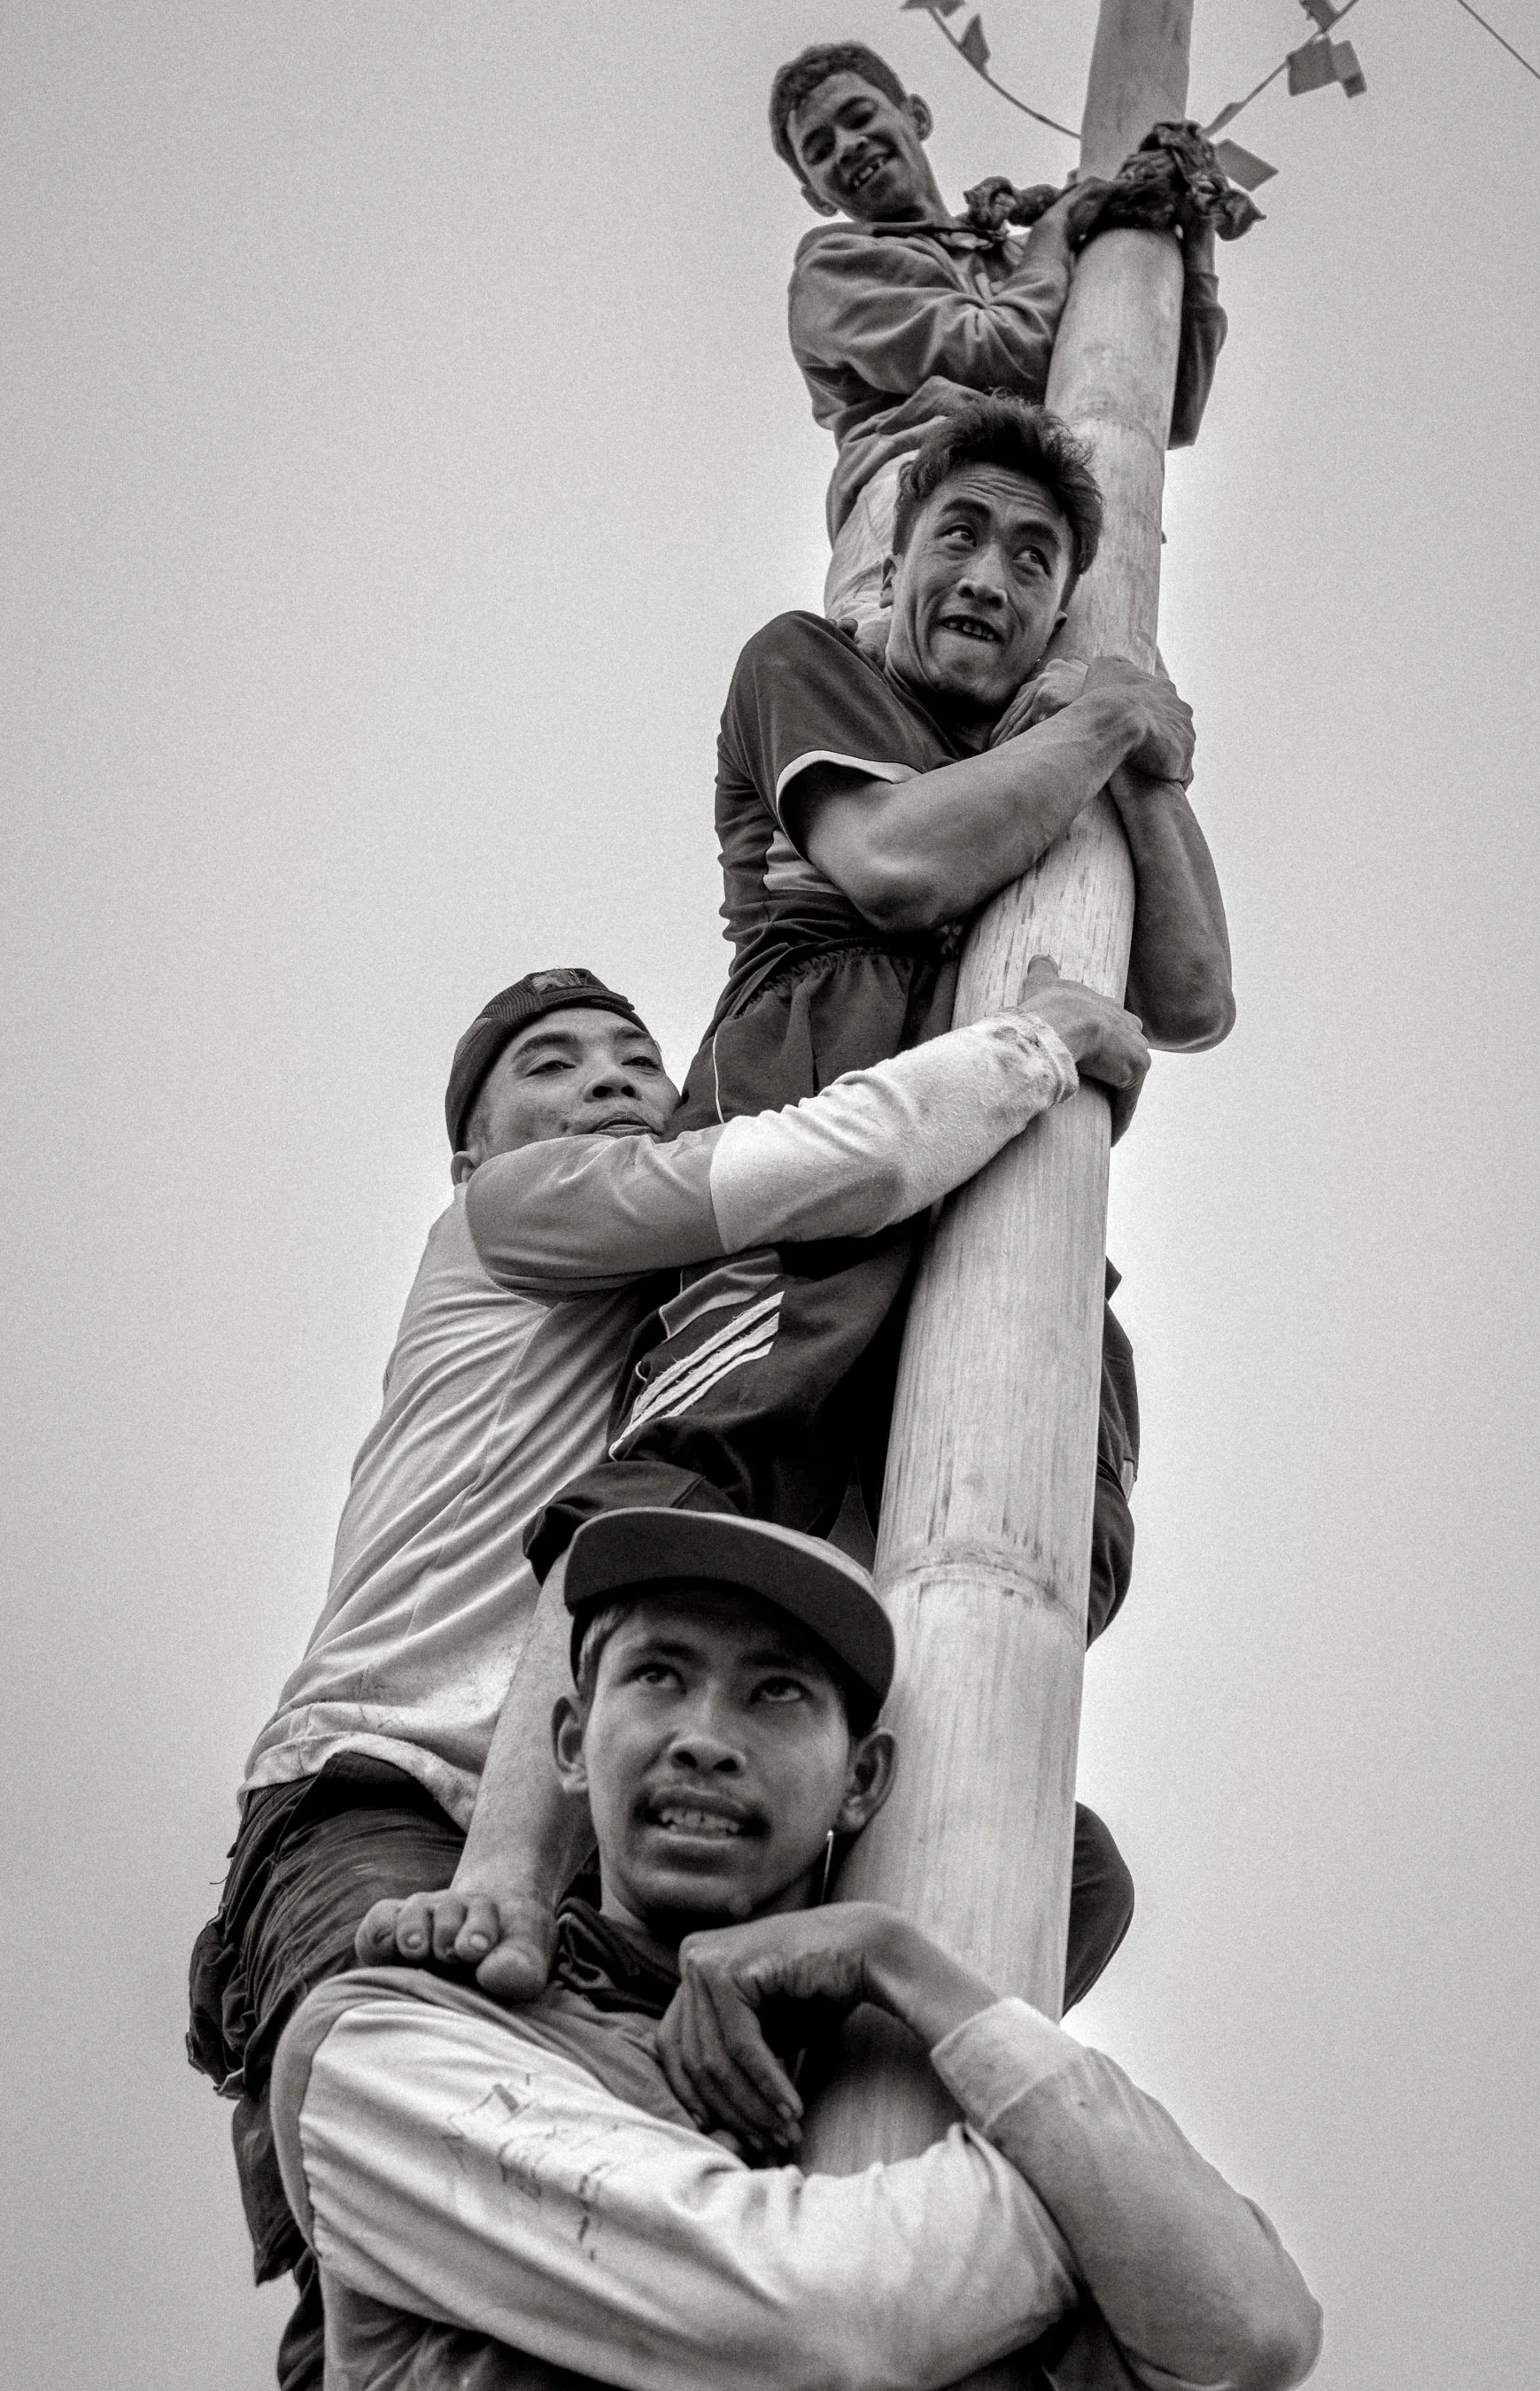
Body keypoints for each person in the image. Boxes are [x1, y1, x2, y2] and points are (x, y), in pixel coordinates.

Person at [189, 957, 1151, 2390]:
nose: (607, 1082)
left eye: (632, 1055)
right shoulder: (506, 1218)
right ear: (473, 1150)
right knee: (410, 2165)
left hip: (601, 1826)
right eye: (555, 1066)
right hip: (386, 1783)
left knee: (1052, 1871)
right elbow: (834, 1156)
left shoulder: (684, 1330)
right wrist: (1032, 1048)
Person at [271, 1507, 1323, 2391]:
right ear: (568, 1745)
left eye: (775, 1691)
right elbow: (820, 2315)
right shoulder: (385, 2042)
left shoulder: (902, 2079)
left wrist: (897, 1958)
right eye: (659, 1676)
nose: (704, 1737)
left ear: (862, 1781)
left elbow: (1250, 2335)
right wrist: (1091, 2209)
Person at [523, 396, 1232, 1670]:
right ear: (898, 554)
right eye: (960, 535)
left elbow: (1190, 998)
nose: (988, 577)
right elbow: (894, 864)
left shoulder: (1061, 750)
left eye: (1033, 560)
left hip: (1008, 1137)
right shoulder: (810, 663)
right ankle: (523, 1852)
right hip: (819, 1069)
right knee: (709, 1476)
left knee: (1037, 1531)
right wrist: (1100, 726)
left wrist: (1130, 754)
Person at [769, 40, 1229, 630]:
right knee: (891, 697)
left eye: (860, 117)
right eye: (820, 148)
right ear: (814, 193)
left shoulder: (1026, 261)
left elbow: (1170, 406)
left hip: (1056, 531)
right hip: (922, 496)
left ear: (915, 115)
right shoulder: (837, 264)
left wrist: (1192, 234)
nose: (848, 145)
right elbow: (1002, 353)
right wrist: (1054, 231)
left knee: (1112, 711)